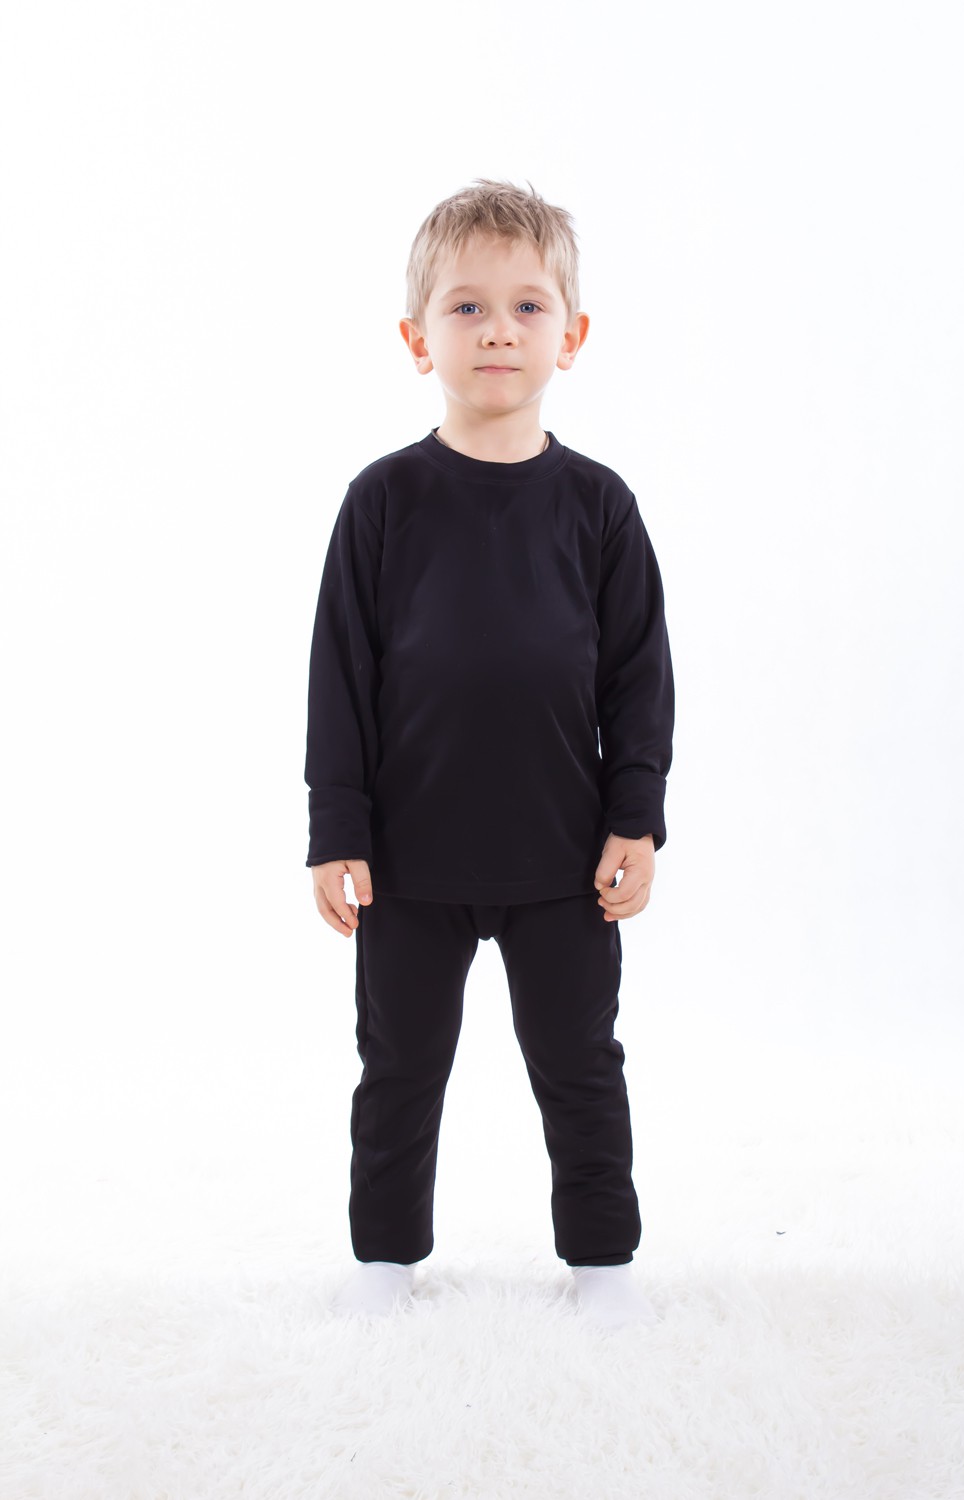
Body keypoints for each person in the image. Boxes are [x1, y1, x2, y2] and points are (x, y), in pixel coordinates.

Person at [304, 178, 675, 1331]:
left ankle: (603, 1263)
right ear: (418, 338)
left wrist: (635, 818)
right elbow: (339, 679)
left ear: (571, 332)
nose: (498, 330)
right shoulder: (383, 503)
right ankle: (382, 1262)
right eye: (466, 307)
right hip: (408, 867)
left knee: (579, 1063)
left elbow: (637, 681)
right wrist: (336, 832)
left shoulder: (599, 509)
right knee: (398, 1064)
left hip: (563, 864)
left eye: (526, 306)